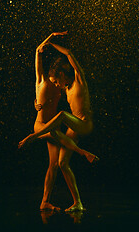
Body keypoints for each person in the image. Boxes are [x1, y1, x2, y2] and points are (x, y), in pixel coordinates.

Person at [19, 32, 99, 212]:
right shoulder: (56, 86)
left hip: (84, 124)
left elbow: (69, 54)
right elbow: (38, 54)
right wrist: (36, 103)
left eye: (57, 81)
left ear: (63, 74)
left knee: (62, 116)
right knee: (60, 164)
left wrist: (53, 42)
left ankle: (82, 152)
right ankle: (77, 202)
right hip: (70, 126)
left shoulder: (78, 80)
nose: (57, 85)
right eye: (54, 82)